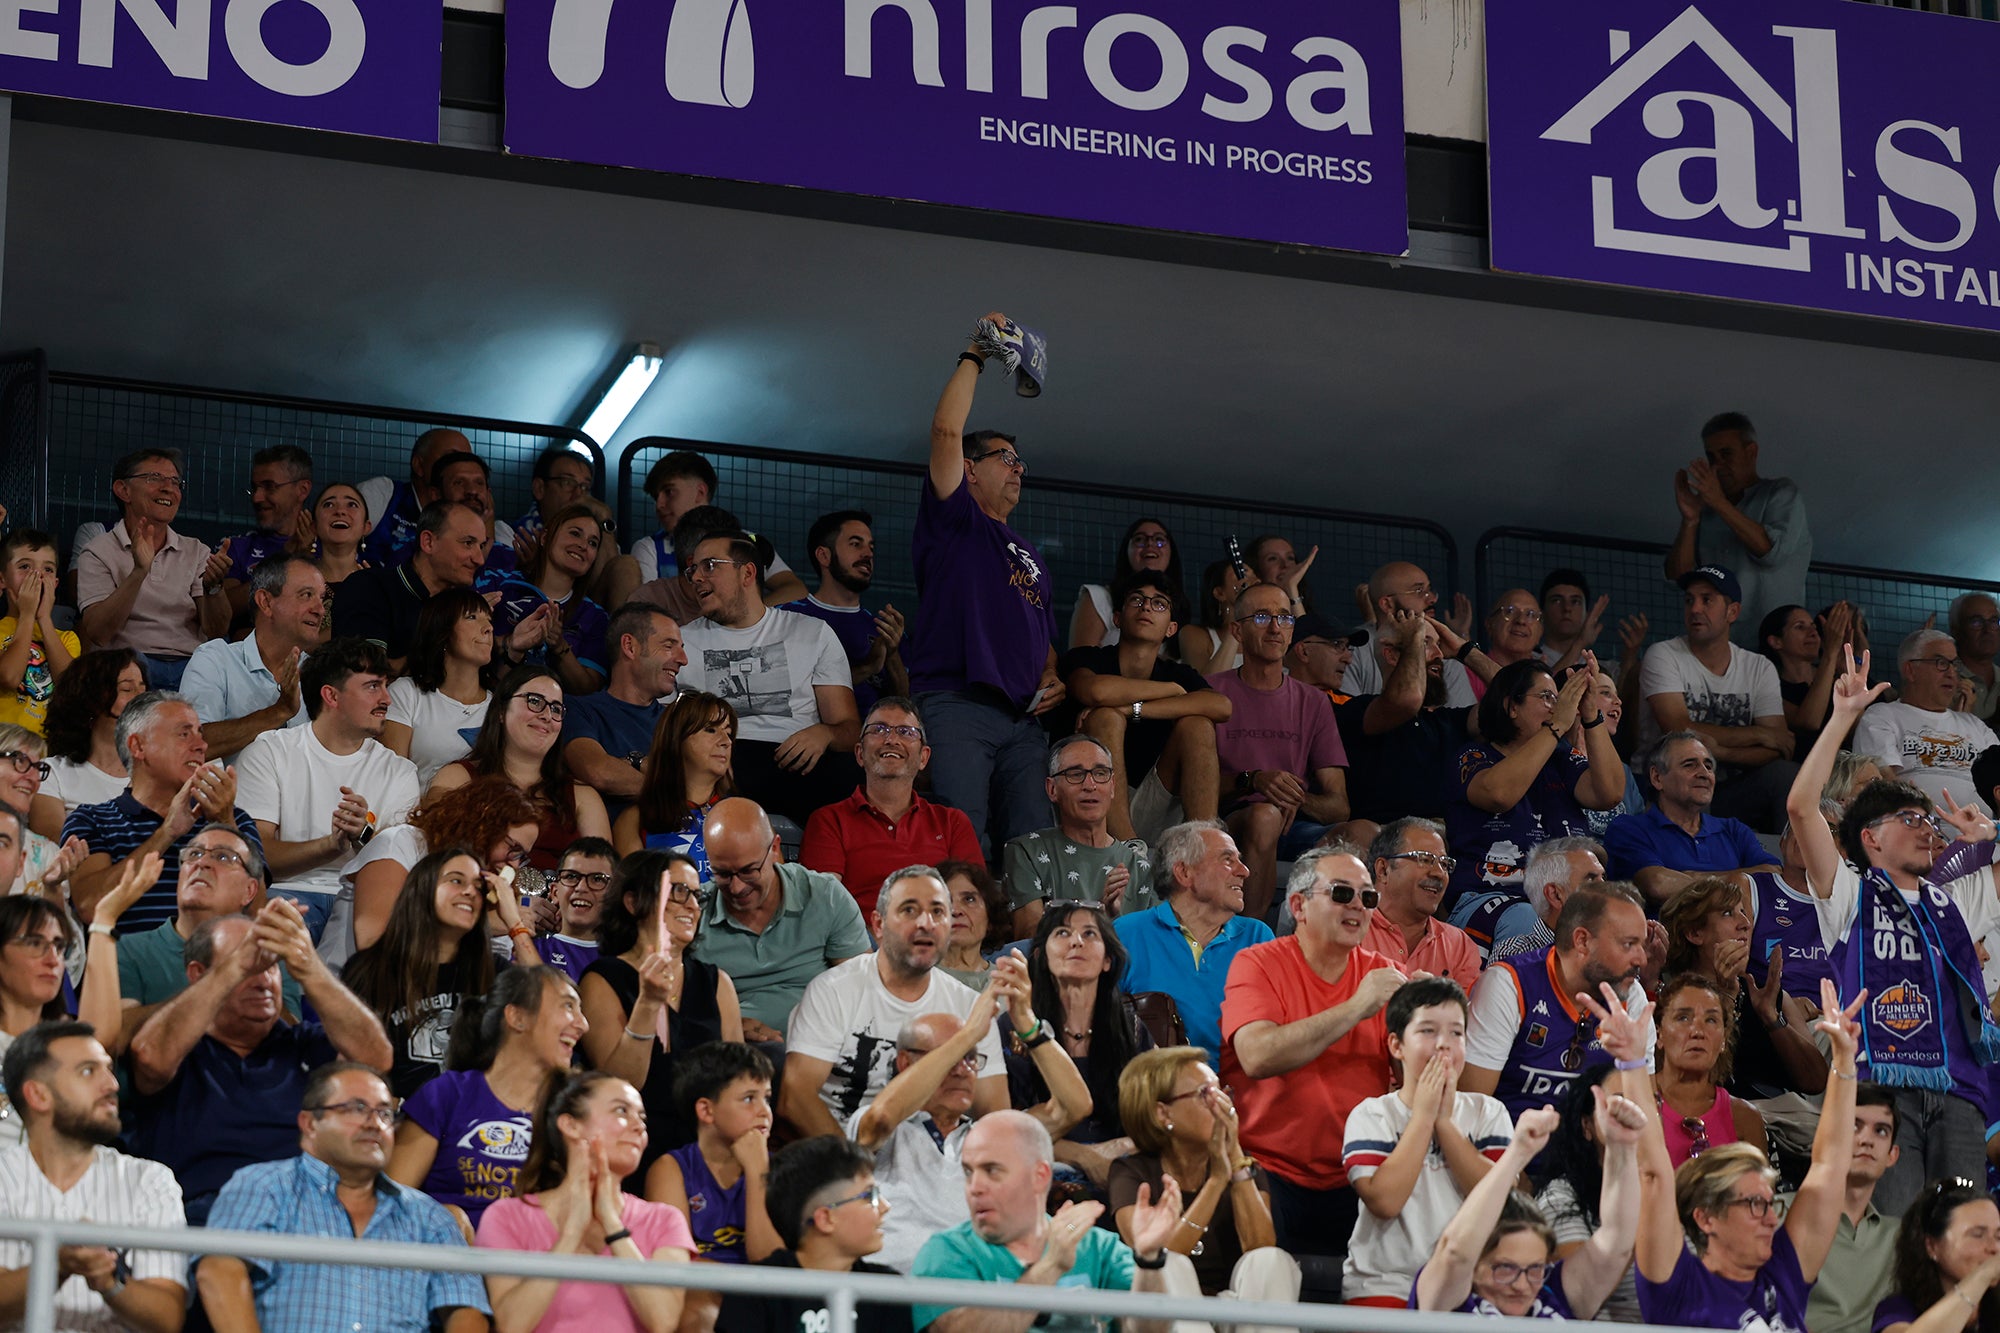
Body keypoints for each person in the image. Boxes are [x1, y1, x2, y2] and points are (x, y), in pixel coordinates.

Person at [1787, 646, 2000, 1217]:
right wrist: (1841, 720)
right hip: (1883, 1089)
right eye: (1910, 819)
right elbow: (1802, 808)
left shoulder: (1945, 900)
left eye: (1929, 821)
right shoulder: (1847, 892)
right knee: (1897, 1234)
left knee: (1962, 1238)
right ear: (1870, 838)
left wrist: (1991, 836)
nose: (1927, 829)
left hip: (1960, 1090)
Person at [904, 311, 1064, 855]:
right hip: (956, 703)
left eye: (1022, 461)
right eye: (1005, 458)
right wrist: (975, 353)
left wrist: (1053, 677)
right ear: (969, 469)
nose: (1019, 468)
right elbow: (946, 430)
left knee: (1032, 846)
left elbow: (1044, 637)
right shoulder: (955, 521)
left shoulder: (1033, 556)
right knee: (960, 836)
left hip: (1022, 720)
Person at [125, 904, 394, 1223]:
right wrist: (237, 965)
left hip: (298, 1216)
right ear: (199, 975)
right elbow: (149, 1058)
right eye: (248, 964)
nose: (263, 979)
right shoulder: (177, 1044)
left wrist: (309, 967)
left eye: (270, 965)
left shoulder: (303, 1044)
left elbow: (377, 1058)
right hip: (196, 1216)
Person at [1624, 974, 1864, 1331]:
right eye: (1754, 1204)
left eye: (1768, 1203)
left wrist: (1844, 1062)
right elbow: (1652, 1173)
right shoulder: (1677, 1287)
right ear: (1705, 1218)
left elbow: (1829, 1167)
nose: (1772, 1218)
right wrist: (1630, 1063)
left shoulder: (1783, 1274)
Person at [197, 1060, 490, 1333]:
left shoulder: (430, 1217)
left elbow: (466, 1311)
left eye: (385, 1112)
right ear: (310, 1123)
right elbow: (219, 1272)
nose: (374, 1123)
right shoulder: (265, 1185)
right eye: (356, 1108)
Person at [1220, 845, 1403, 1260]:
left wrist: (1433, 1025)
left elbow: (1414, 1080)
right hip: (1267, 1169)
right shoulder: (1257, 963)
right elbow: (1257, 1056)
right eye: (1342, 893)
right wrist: (1358, 1006)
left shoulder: (1384, 976)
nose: (1358, 905)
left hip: (1359, 1173)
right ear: (1299, 906)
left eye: (1367, 897)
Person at [851, 988, 1091, 1275]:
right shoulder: (880, 1126)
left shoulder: (991, 1135)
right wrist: (969, 1035)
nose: (963, 1070)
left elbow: (1074, 1107)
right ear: (904, 1063)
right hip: (897, 1290)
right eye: (950, 1056)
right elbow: (879, 1120)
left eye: (971, 1058)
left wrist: (1028, 1025)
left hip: (983, 1290)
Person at [781, 866, 1009, 1139]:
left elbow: (994, 1117)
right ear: (878, 925)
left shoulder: (969, 1005)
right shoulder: (833, 991)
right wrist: (855, 1170)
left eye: (938, 912)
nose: (926, 923)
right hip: (843, 1157)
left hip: (933, 1161)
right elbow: (795, 1098)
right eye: (909, 910)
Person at [908, 1109, 1179, 1333]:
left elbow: (1150, 1330)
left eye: (992, 1170)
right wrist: (1050, 1266)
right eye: (968, 1172)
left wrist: (1149, 1259)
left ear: (1039, 1176)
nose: (974, 1187)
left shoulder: (1097, 1247)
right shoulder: (946, 1252)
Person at [0, 1020, 188, 1333]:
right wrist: (57, 1265)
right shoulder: (4, 1176)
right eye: (89, 1071)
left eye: (109, 1069)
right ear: (38, 1095)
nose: (112, 1084)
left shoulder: (150, 1180)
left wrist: (109, 1282)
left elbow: (168, 1318)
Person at [475, 1071, 695, 1332]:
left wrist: (614, 1227)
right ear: (571, 1125)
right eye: (622, 1111)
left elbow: (663, 1321)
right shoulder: (506, 1215)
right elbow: (511, 1324)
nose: (639, 1126)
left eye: (642, 1117)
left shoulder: (665, 1220)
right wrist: (571, 1234)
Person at [1341, 977, 1513, 1307]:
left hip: (1471, 1286)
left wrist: (1445, 1124)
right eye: (1428, 1031)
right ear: (1396, 1045)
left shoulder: (1488, 1112)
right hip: (1384, 1284)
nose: (1444, 1044)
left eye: (1456, 1033)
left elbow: (1501, 1204)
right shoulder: (1372, 1114)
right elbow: (1385, 1202)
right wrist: (1423, 1117)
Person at [237, 637, 421, 936]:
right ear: (331, 696)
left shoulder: (400, 771)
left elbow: (399, 868)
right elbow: (257, 857)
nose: (387, 699)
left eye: (386, 686)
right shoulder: (269, 752)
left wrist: (362, 834)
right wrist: (331, 845)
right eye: (373, 686)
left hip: (362, 899)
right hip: (285, 894)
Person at [676, 528, 862, 823]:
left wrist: (825, 734)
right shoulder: (680, 642)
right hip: (720, 762)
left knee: (850, 769)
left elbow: (850, 729)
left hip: (798, 761)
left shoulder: (811, 633)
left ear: (747, 573)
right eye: (692, 570)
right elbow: (660, 725)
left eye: (709, 566)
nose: (697, 577)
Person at [578, 849, 744, 1172]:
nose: (693, 906)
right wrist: (648, 1004)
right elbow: (622, 1084)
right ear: (633, 902)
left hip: (707, 1151)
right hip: (635, 1149)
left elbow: (737, 1082)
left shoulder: (717, 983)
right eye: (679, 892)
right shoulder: (601, 980)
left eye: (697, 896)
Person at [1410, 1093, 1644, 1320]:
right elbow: (1455, 1252)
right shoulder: (1447, 1303)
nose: (1522, 1286)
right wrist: (1518, 1154)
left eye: (1534, 1269)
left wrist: (1622, 1148)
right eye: (1505, 1269)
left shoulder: (1553, 1296)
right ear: (1475, 1264)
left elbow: (1617, 1240)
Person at [390, 965, 585, 1229]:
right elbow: (393, 1205)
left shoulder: (575, 1110)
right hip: (452, 1260)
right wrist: (446, 1221)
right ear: (517, 1017)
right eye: (568, 1006)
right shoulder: (446, 1095)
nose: (583, 1024)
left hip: (540, 1260)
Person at [61, 689, 264, 937]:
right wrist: (167, 833)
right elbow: (90, 907)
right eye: (183, 734)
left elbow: (257, 914)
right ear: (138, 746)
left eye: (199, 734)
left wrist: (224, 827)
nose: (201, 746)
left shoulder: (235, 820)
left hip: (215, 965)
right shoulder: (91, 820)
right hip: (127, 970)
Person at [1110, 1047, 1297, 1313]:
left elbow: (1261, 1248)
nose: (1222, 1105)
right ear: (1163, 1113)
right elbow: (1155, 1257)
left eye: (1221, 1092)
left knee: (1271, 1260)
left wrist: (1233, 1155)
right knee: (1171, 1267)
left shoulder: (1242, 1164)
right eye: (1205, 1094)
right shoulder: (1131, 1174)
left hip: (1232, 1308)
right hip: (1169, 1313)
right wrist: (1216, 1182)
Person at [343, 847, 540, 1098]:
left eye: (478, 886)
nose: (469, 891)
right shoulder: (371, 969)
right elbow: (352, 1061)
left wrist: (514, 922)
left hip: (472, 1120)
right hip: (399, 1116)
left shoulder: (491, 969)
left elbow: (548, 1007)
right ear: (422, 889)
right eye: (456, 880)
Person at [1209, 581, 1349, 918]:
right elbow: (1193, 789)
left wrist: (1291, 796)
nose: (1275, 628)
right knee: (1264, 815)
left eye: (1285, 618)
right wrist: (1253, 781)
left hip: (1295, 824)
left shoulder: (1313, 700)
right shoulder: (1212, 690)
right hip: (1232, 820)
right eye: (1261, 617)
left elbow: (1338, 805)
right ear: (1237, 632)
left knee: (1365, 832)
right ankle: (1251, 944)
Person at [1461, 881, 1656, 1123]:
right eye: (1629, 944)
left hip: (1593, 1155)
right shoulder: (1509, 985)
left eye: (1642, 944)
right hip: (1511, 1153)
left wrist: (1633, 1061)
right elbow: (1469, 1114)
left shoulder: (1631, 997)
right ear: (1582, 941)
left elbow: (1643, 1122)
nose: (1641, 960)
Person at [1444, 657, 1626, 907]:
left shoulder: (1561, 759)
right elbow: (1499, 794)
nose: (1556, 707)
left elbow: (1610, 793)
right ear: (1511, 707)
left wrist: (1591, 715)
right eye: (1547, 697)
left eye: (1558, 699)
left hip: (1568, 901)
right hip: (1493, 897)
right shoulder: (1474, 756)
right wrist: (1556, 725)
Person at [1063, 569, 1227, 844]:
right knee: (1106, 717)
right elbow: (1095, 690)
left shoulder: (1178, 672)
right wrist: (1170, 692)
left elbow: (1221, 706)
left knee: (1198, 724)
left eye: (1159, 603)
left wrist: (1132, 709)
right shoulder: (1088, 658)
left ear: (1171, 628)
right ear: (1117, 617)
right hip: (1086, 801)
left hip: (1150, 802)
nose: (1147, 606)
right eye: (1137, 600)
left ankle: (1203, 846)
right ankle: (1128, 850)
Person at [690, 798, 873, 1038]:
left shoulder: (824, 895)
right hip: (731, 1052)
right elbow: (673, 1010)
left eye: (748, 871)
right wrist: (726, 1026)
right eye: (722, 874)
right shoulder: (693, 911)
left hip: (825, 1044)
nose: (736, 887)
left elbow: (862, 992)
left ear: (775, 848)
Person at [1638, 564, 1796, 832]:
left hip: (1734, 786)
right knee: (1693, 777)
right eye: (1690, 600)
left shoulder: (1758, 667)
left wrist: (1723, 753)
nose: (1695, 609)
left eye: (1707, 600)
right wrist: (1760, 734)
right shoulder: (1663, 654)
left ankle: (1793, 867)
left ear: (1732, 611)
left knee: (1786, 774)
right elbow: (1678, 729)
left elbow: (1777, 747)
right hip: (1665, 782)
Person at [329, 775, 543, 967]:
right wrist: (478, 924)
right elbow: (373, 942)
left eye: (521, 856)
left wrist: (514, 926)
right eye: (512, 848)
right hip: (346, 996)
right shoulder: (401, 844)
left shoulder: (490, 891)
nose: (514, 865)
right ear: (482, 827)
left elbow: (490, 976)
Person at [801, 697, 983, 920]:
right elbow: (823, 911)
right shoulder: (829, 821)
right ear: (859, 753)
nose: (891, 739)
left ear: (923, 757)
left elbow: (971, 907)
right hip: (864, 946)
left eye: (906, 732)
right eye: (878, 730)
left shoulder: (952, 822)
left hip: (937, 942)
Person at [1010, 901, 1153, 1183]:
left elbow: (1156, 1114)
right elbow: (1001, 1129)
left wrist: (1123, 1147)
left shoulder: (1131, 1028)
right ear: (1040, 956)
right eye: (1062, 933)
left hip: (1122, 1171)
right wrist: (1083, 1156)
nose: (1076, 941)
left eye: (1089, 934)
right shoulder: (1015, 1026)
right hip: (1035, 1174)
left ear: (1107, 960)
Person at [116, 826, 305, 1038]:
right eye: (193, 854)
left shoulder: (268, 951)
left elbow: (289, 1038)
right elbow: (118, 1038)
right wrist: (223, 981)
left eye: (223, 857)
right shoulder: (132, 948)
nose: (201, 863)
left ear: (249, 890)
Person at [714, 1134, 909, 1333]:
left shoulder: (888, 1290)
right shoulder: (754, 1291)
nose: (886, 1206)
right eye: (869, 1196)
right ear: (825, 1218)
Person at [1115, 820, 1272, 1065]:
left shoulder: (1257, 936)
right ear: (1184, 873)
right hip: (1153, 1091)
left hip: (1236, 1093)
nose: (1245, 871)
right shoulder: (1126, 933)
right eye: (1227, 860)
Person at [1658, 875, 1827, 1099]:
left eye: (1744, 912)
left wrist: (1771, 1017)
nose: (1746, 924)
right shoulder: (1672, 998)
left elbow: (1816, 1081)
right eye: (1728, 913)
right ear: (1695, 933)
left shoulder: (1767, 994)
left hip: (1780, 1116)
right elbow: (1697, 1084)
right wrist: (1726, 996)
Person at [429, 665, 613, 871]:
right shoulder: (457, 777)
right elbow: (438, 858)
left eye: (556, 708)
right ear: (500, 711)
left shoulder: (583, 797)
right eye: (534, 701)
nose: (547, 715)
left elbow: (603, 879)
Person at [75, 447, 231, 688]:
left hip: (191, 666)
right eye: (154, 478)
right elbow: (99, 632)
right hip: (131, 666)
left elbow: (216, 631)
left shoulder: (196, 551)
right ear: (123, 490)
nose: (168, 488)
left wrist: (214, 587)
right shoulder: (97, 551)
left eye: (175, 481)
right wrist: (139, 571)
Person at [1665, 411, 1812, 647]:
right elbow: (1679, 578)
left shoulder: (1781, 493)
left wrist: (1719, 502)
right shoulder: (1706, 511)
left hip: (1776, 649)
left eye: (1726, 454)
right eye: (1711, 457)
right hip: (1721, 651)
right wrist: (1690, 519)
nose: (1718, 465)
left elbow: (1770, 553)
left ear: (1751, 452)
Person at [1332, 612, 1482, 829]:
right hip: (1387, 841)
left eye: (1439, 644)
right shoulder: (1358, 710)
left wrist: (1464, 650)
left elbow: (1517, 698)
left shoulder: (1447, 720)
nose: (1440, 654)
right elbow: (1407, 699)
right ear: (1391, 656)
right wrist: (1414, 638)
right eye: (1425, 642)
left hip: (1448, 844)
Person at [1001, 736, 1158, 939]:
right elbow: (1029, 937)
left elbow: (1158, 948)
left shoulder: (1140, 867)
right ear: (1052, 789)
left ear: (1112, 787)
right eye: (1075, 774)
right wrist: (1100, 915)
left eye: (1100, 774)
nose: (1090, 785)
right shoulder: (1026, 851)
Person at [646, 1040, 780, 1264]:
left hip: (759, 1297)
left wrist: (758, 1170)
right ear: (706, 1110)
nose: (764, 1111)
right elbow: (676, 1265)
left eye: (766, 1098)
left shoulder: (782, 1169)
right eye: (749, 1098)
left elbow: (771, 1262)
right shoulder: (671, 1169)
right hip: (698, 1294)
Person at [1606, 731, 1777, 904]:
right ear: (1657, 778)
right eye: (1690, 765)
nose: (1704, 774)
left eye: (1708, 766)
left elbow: (1774, 874)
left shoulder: (1733, 830)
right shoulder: (1629, 829)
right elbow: (1658, 885)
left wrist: (1693, 876)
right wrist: (1739, 879)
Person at [181, 554, 320, 761]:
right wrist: (279, 711)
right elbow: (191, 745)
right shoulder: (216, 660)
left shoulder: (319, 672)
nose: (319, 609)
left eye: (321, 597)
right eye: (306, 595)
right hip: (233, 792)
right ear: (266, 602)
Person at [333, 500, 502, 669]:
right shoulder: (370, 586)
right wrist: (448, 633)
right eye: (468, 543)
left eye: (480, 546)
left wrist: (512, 649)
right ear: (428, 542)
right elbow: (367, 674)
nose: (479, 559)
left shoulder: (462, 608)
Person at [623, 449, 806, 602]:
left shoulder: (745, 541)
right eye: (656, 497)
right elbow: (647, 609)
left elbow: (795, 589)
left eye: (669, 492)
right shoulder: (649, 547)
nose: (659, 505)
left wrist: (747, 620)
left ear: (700, 491)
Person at [561, 604, 688, 823]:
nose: (683, 659)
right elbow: (599, 771)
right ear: (630, 646)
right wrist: (670, 791)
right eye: (669, 646)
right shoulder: (577, 709)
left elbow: (699, 784)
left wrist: (628, 764)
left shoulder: (678, 720)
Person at [1534, 1066, 1641, 1323]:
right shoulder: (1559, 1195)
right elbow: (1576, 1298)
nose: (1635, 1112)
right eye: (1620, 1101)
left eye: (1646, 1101)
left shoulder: (1670, 1185)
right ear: (1587, 1125)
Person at [1858, 628, 2000, 816]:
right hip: (1917, 834)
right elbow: (1883, 781)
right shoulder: (1882, 716)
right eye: (1941, 663)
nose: (1951, 673)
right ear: (1910, 670)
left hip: (1984, 838)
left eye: (1954, 664)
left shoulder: (1975, 725)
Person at [488, 499, 616, 696]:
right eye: (575, 533)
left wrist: (559, 645)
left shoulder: (595, 617)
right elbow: (463, 640)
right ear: (545, 537)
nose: (583, 545)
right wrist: (511, 642)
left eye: (592, 543)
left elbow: (589, 688)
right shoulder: (501, 584)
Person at [1802, 1084, 1902, 1333]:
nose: (1866, 1140)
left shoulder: (1902, 1236)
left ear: (1892, 1154)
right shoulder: (1778, 1214)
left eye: (1881, 1131)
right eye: (1853, 1126)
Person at [787, 508, 908, 713]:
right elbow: (788, 692)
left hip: (875, 739)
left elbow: (904, 706)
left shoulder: (885, 628)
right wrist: (867, 668)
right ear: (824, 556)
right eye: (855, 544)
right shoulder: (787, 619)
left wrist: (892, 654)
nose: (868, 554)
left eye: (871, 547)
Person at [1647, 971, 1765, 1166]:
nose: (1697, 1031)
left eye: (1711, 1020)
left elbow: (1758, 1194)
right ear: (1659, 1033)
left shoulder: (1745, 1118)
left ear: (1723, 1040)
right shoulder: (1635, 1105)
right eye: (1683, 1018)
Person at [612, 690, 736, 873]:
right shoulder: (634, 820)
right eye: (711, 730)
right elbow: (636, 895)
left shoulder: (746, 815)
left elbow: (775, 893)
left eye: (729, 733)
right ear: (676, 739)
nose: (726, 741)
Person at [383, 586, 495, 787]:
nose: (488, 628)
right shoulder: (406, 694)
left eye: (489, 620)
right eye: (472, 617)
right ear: (442, 630)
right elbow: (392, 781)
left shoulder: (500, 707)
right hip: (417, 814)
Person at [1364, 818, 1481, 994]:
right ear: (1383, 870)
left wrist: (1440, 1001)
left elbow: (1467, 1017)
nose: (1439, 873)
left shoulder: (1459, 945)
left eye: (1444, 864)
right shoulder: (1349, 929)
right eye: (1425, 859)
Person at [1448, 835, 1606, 967]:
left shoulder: (1612, 947)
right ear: (1555, 895)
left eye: (1603, 877)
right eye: (1591, 879)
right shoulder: (1515, 956)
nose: (1604, 887)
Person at [1342, 561, 1485, 706]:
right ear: (1387, 604)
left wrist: (1464, 649)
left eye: (1430, 590)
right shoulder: (1353, 648)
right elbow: (1347, 717)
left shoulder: (1443, 655)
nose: (1432, 599)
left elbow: (1467, 722)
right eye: (1419, 591)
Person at [37, 649, 146, 837]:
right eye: (127, 689)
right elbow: (61, 847)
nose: (141, 699)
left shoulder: (160, 775)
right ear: (90, 701)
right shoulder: (51, 773)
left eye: (143, 690)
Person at [1872, 1178, 2000, 1333]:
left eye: (1998, 1237)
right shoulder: (1897, 1309)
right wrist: (1983, 1274)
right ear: (1932, 1246)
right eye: (1977, 1235)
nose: (1994, 1247)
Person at [217, 444, 315, 617]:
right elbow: (223, 608)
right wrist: (285, 560)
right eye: (255, 488)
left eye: (269, 486)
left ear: (302, 490)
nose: (257, 497)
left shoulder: (329, 547)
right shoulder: (235, 547)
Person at [0, 529, 78, 736]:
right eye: (25, 566)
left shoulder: (66, 638)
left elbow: (71, 687)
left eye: (49, 569)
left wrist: (43, 618)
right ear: (2, 580)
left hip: (48, 751)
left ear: (56, 584)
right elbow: (9, 677)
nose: (37, 576)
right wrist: (26, 616)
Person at [357, 427, 470, 566]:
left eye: (468, 461)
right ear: (419, 466)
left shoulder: (465, 515)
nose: (462, 467)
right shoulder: (385, 492)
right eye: (451, 458)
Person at [1070, 517, 1185, 651]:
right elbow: (1078, 662)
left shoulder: (1180, 606)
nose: (1149, 544)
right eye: (1139, 539)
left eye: (1159, 539)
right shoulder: (1099, 597)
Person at [1760, 601, 1851, 760]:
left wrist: (1846, 672)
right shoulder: (1768, 685)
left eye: (1814, 627)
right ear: (1776, 641)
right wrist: (1830, 653)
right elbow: (1809, 722)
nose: (1813, 633)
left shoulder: (1832, 675)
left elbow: (1856, 723)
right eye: (1800, 627)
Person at [538, 836, 612, 984]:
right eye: (571, 876)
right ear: (554, 892)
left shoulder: (625, 960)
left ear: (615, 894)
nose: (581, 888)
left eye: (597, 879)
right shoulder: (529, 949)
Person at [512, 445, 596, 557]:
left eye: (585, 487)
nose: (579, 495)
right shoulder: (510, 535)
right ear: (539, 489)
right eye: (567, 482)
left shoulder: (596, 541)